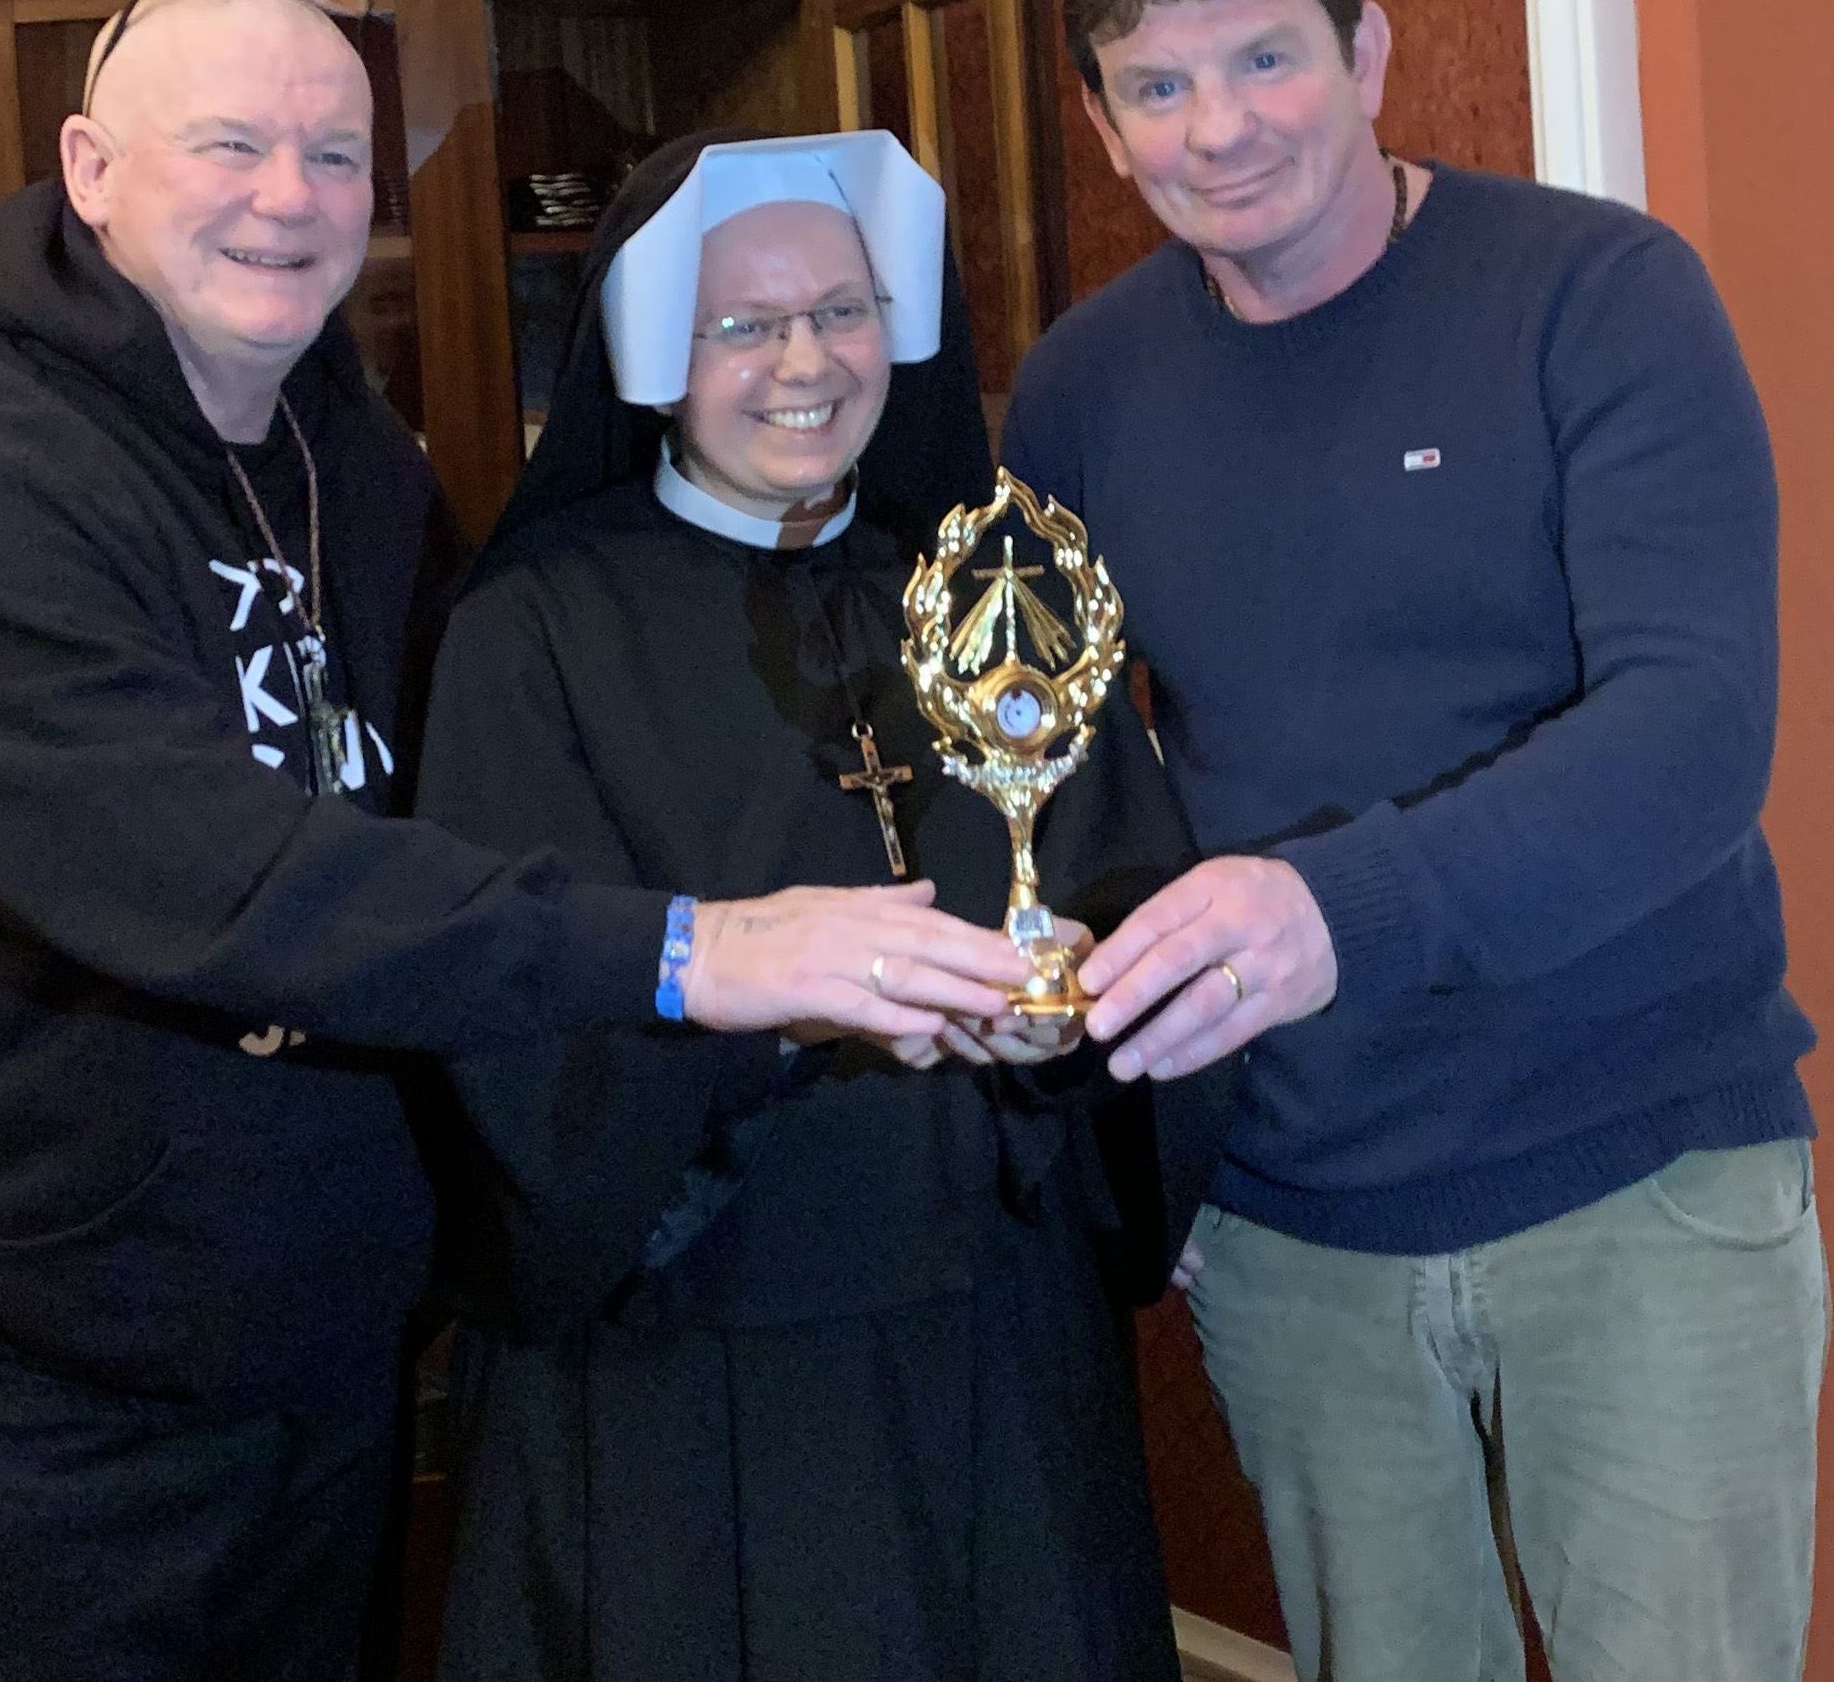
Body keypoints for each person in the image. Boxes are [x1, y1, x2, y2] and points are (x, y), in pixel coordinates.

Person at [0, 0, 1031, 1682]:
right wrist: (696, 947)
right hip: (24, 1371)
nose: (291, 197)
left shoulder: (357, 464)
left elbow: (455, 809)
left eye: (337, 154)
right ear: (89, 167)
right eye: (232, 145)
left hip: (315, 1337)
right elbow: (218, 878)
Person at [1003, 0, 1828, 1682]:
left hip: (1640, 1178)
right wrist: (1155, 1151)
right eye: (1159, 83)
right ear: (1103, 119)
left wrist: (1334, 908)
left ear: (1368, 52)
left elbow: (1693, 738)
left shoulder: (1597, 296)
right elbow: (1058, 795)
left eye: (1266, 58)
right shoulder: (1079, 393)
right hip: (1296, 1229)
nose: (1220, 126)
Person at [411, 128, 1236, 1682]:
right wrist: (774, 1019)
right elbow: (505, 1016)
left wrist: (1080, 1021)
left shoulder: (997, 588)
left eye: (843, 310)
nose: (807, 359)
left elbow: (1142, 904)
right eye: (744, 325)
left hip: (999, 1343)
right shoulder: (534, 631)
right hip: (691, 1364)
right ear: (655, 353)